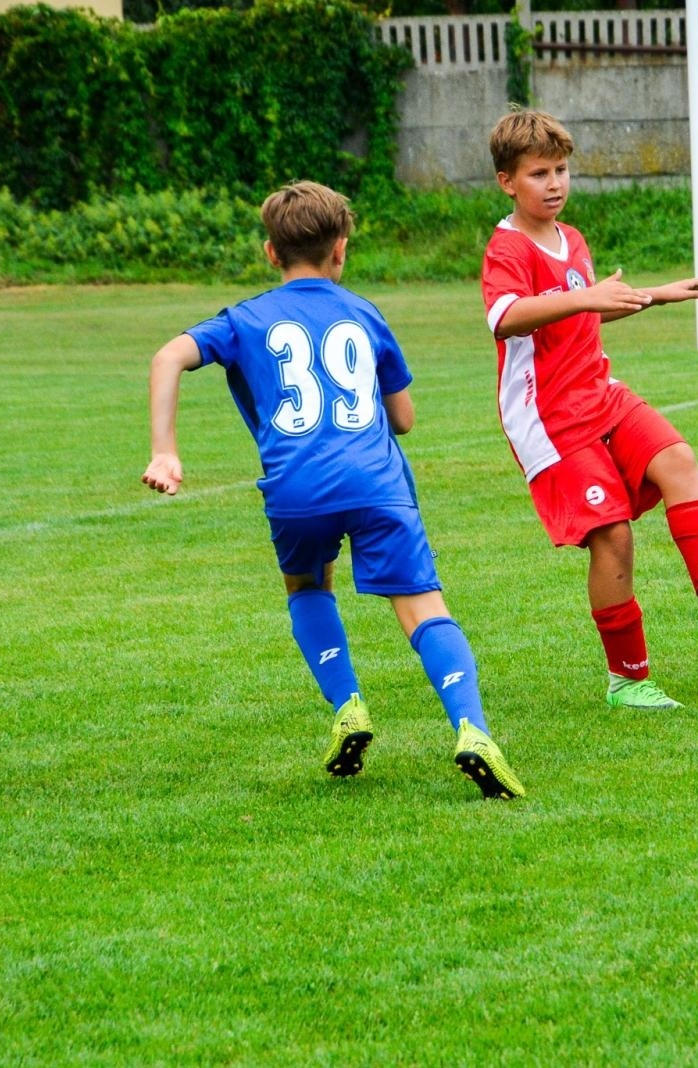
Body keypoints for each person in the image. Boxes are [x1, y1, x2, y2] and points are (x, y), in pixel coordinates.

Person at [141, 180, 524, 798]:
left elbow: (167, 357)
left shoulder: (243, 318)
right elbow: (403, 419)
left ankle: (348, 705)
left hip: (295, 488)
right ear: (340, 249)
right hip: (375, 482)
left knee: (308, 584)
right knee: (423, 607)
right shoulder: (364, 313)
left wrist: (166, 450)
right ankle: (473, 730)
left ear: (271, 252)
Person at [480, 109, 698, 712]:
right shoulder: (507, 247)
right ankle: (628, 680)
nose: (554, 183)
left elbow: (582, 308)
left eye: (561, 170)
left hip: (600, 393)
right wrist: (585, 294)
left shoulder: (571, 238)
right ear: (508, 182)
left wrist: (651, 295)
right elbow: (504, 316)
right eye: (538, 174)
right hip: (549, 418)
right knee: (613, 536)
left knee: (678, 458)